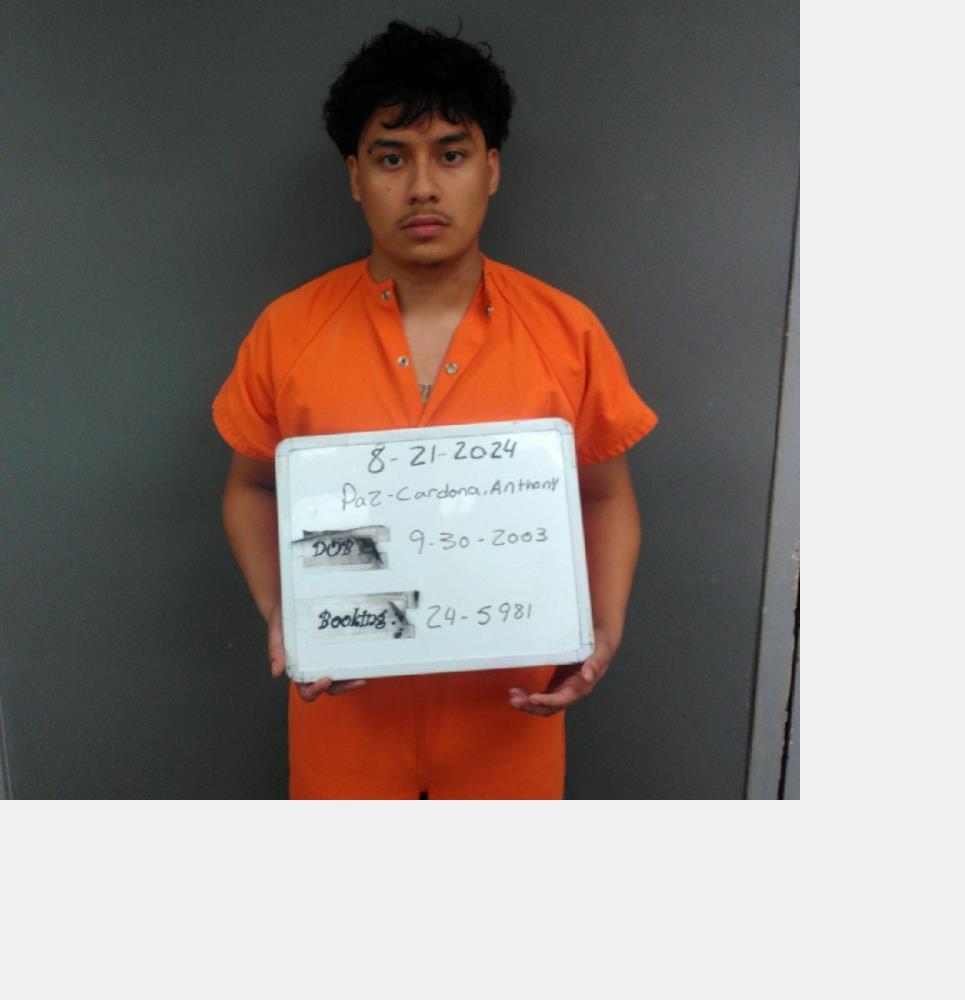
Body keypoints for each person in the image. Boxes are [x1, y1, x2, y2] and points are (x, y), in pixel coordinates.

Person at [212, 20, 657, 799]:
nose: (422, 186)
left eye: (451, 154)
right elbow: (250, 487)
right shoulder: (288, 330)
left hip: (509, 716)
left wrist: (605, 627)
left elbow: (605, 495)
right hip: (345, 717)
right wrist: (286, 610)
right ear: (356, 176)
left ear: (492, 168)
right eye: (392, 158)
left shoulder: (566, 331)